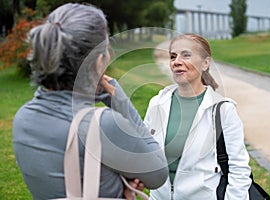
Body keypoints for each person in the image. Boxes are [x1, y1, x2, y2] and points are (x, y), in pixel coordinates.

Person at [12, 3, 168, 200]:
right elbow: (158, 174)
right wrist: (119, 101)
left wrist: (114, 181)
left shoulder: (23, 118)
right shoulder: (103, 125)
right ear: (97, 62)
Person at [144, 33, 252, 199]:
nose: (177, 61)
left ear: (205, 63)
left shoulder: (223, 110)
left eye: (186, 55)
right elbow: (144, 150)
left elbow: (239, 169)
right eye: (173, 56)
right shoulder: (157, 104)